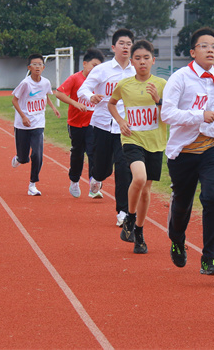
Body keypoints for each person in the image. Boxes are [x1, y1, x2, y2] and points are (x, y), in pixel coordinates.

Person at [161, 27, 214, 275]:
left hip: (212, 146)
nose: (211, 50)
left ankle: (210, 258)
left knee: (212, 196)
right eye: (204, 46)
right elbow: (167, 114)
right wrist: (199, 115)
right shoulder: (180, 78)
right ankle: (177, 239)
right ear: (193, 52)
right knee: (182, 203)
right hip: (183, 150)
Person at [108, 40, 167, 254]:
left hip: (155, 142)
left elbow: (169, 115)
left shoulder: (162, 84)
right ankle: (130, 217)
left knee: (146, 190)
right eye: (138, 58)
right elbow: (111, 103)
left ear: (153, 60)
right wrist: (120, 121)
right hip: (132, 139)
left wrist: (158, 100)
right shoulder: (124, 84)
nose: (142, 62)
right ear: (131, 61)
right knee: (139, 178)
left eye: (146, 58)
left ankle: (139, 232)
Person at [78, 29, 135, 226]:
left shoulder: (135, 72)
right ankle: (97, 178)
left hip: (125, 127)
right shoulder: (102, 70)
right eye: (122, 43)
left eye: (129, 44)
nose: (125, 47)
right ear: (113, 47)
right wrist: (91, 96)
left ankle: (123, 212)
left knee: (123, 168)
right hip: (102, 124)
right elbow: (83, 89)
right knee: (102, 169)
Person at [55, 48, 105, 198]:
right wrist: (75, 103)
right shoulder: (75, 78)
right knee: (77, 153)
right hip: (75, 123)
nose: (96, 70)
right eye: (94, 66)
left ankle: (93, 185)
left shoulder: (100, 82)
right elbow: (59, 93)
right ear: (84, 64)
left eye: (99, 67)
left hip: (93, 123)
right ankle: (74, 180)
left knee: (93, 152)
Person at [11, 54, 61, 196]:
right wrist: (23, 116)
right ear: (29, 67)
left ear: (43, 67)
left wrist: (53, 107)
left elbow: (45, 95)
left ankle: (32, 184)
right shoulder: (25, 84)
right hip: (23, 125)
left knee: (37, 154)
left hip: (38, 123)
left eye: (40, 64)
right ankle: (19, 158)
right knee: (24, 158)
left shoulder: (46, 82)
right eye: (34, 64)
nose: (37, 67)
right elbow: (14, 100)